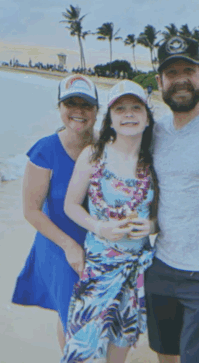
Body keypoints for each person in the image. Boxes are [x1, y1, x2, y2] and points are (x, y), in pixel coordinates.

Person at [60, 81, 158, 363]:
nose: (128, 114)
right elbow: (70, 205)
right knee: (82, 351)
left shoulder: (151, 162)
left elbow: (161, 216)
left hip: (135, 273)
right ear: (111, 119)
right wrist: (100, 227)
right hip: (98, 272)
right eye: (120, 109)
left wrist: (150, 227)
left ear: (147, 118)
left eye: (136, 108)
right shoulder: (93, 155)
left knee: (118, 354)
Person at [12, 74, 100, 352]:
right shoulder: (45, 150)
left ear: (97, 110)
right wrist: (69, 246)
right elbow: (31, 211)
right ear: (59, 107)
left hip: (98, 242)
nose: (78, 111)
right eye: (70, 103)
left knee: (90, 315)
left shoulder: (107, 146)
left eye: (85, 105)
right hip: (58, 243)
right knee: (74, 316)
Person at [145, 36, 199, 363]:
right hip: (161, 266)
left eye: (188, 70)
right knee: (165, 353)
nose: (180, 79)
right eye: (171, 72)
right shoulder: (155, 132)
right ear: (159, 82)